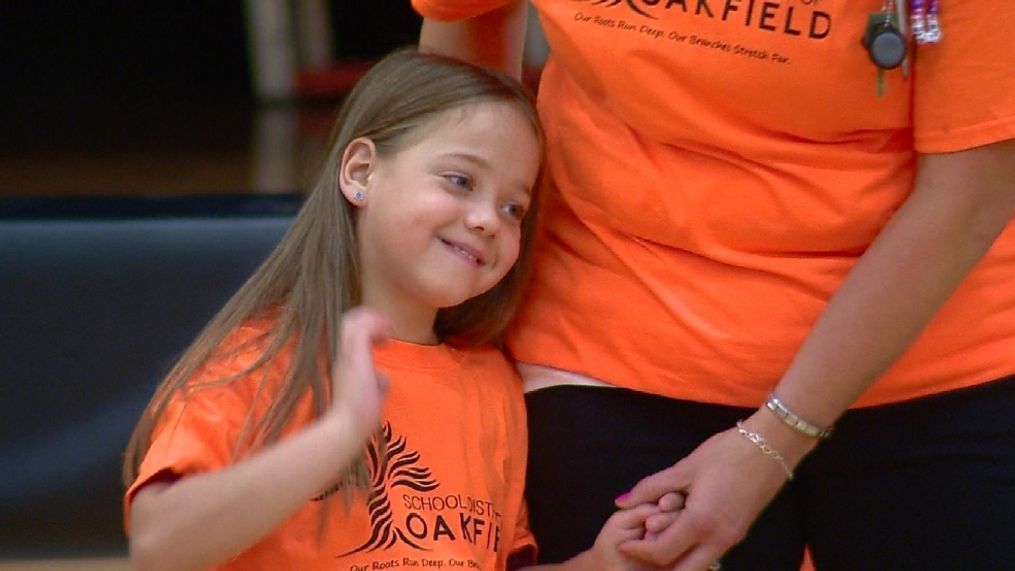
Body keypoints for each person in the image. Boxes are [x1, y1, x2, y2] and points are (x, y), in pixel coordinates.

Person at [413, 1, 1015, 570]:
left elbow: (969, 197)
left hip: (929, 356)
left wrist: (772, 442)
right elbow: (465, 42)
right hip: (606, 337)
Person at [121, 48, 673, 571]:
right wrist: (338, 437)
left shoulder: (493, 384)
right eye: (460, 180)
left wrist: (597, 564)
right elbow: (158, 545)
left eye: (513, 208)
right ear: (360, 173)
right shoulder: (259, 359)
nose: (488, 220)